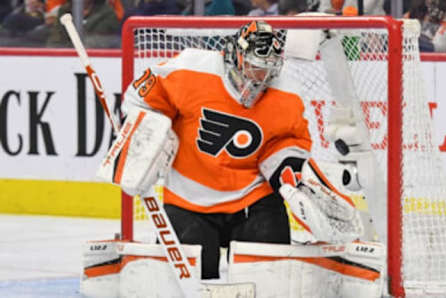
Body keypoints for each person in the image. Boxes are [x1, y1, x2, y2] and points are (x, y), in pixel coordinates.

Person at [111, 20, 362, 279]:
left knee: (269, 280)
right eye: (255, 67)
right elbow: (140, 98)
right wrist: (144, 135)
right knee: (187, 281)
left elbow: (288, 143)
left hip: (253, 201)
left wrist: (289, 175)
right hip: (188, 200)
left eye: (267, 71)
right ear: (236, 55)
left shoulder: (287, 93)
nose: (260, 78)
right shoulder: (190, 68)